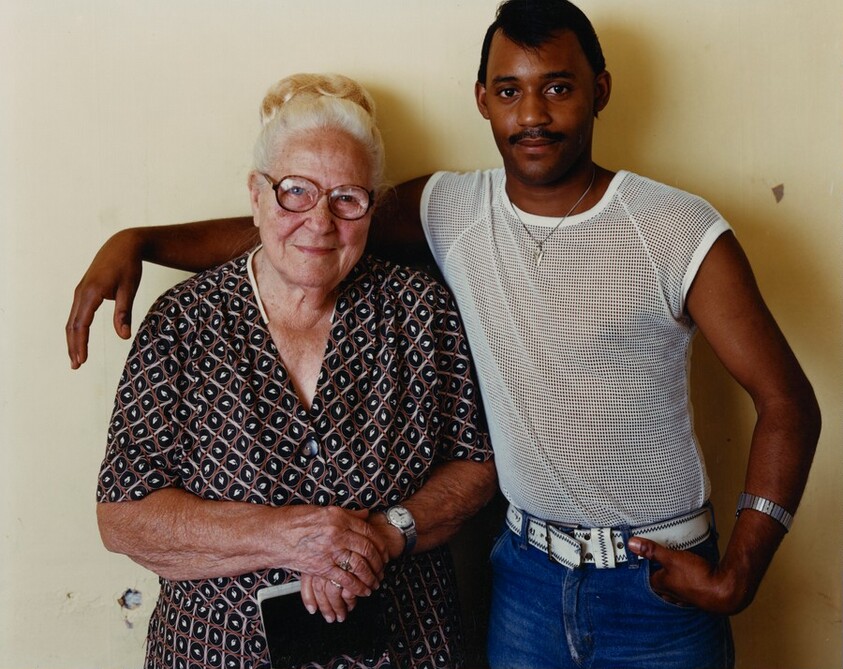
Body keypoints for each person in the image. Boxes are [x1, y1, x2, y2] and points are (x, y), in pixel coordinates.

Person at [70, 2, 821, 668]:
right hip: (524, 578)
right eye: (508, 91)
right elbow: (300, 229)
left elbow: (787, 401)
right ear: (481, 102)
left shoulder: (672, 225)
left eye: (557, 86)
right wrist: (139, 240)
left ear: (600, 89)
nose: (532, 113)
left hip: (653, 580)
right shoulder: (454, 208)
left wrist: (740, 572)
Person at [93, 72, 496, 669]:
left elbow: (479, 464)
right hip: (217, 648)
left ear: (373, 207)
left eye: (346, 198)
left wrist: (387, 534)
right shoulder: (184, 320)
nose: (320, 221)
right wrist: (289, 538)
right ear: (256, 195)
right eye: (295, 192)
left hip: (407, 645)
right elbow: (123, 516)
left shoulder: (419, 310)